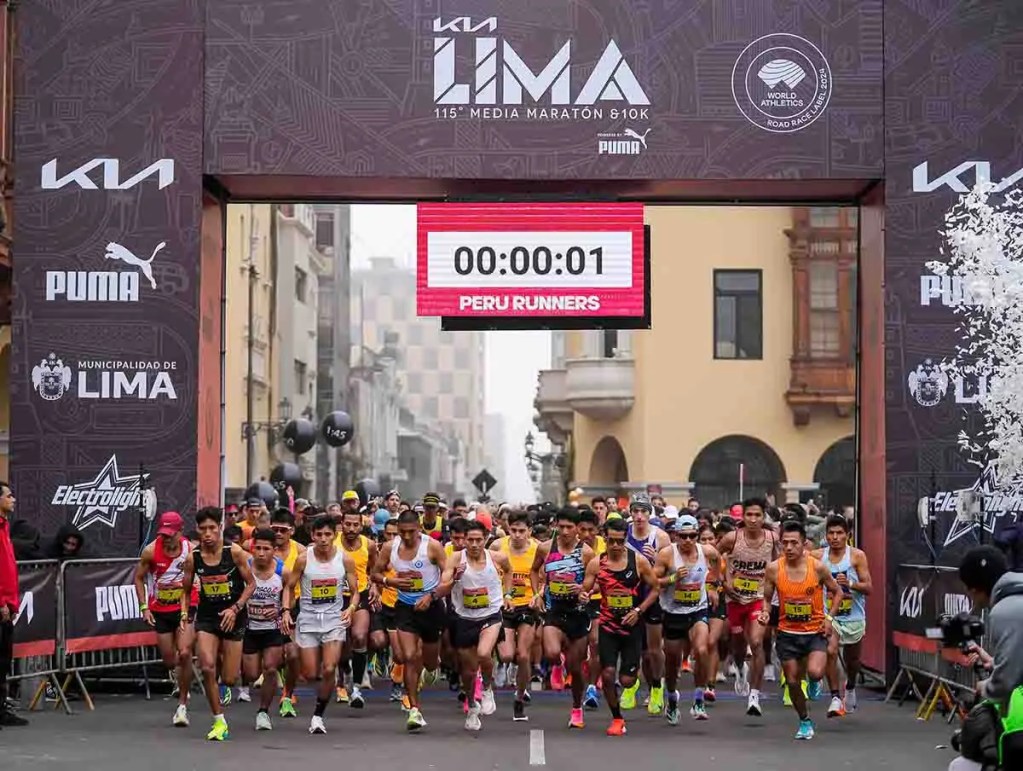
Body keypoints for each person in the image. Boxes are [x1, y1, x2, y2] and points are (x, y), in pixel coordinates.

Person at [759, 520, 844, 741]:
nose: (788, 548)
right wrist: (765, 612)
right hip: (787, 633)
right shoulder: (773, 569)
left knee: (815, 672)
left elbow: (838, 593)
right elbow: (767, 599)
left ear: (803, 543)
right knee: (793, 681)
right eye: (784, 543)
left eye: (793, 543)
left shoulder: (817, 567)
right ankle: (804, 720)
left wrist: (829, 618)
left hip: (815, 631)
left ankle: (816, 681)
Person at [180, 506, 257, 741]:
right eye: (203, 529)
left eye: (212, 528)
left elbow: (251, 584)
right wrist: (184, 612)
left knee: (230, 677)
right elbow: (184, 590)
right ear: (197, 530)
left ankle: (228, 682)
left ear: (220, 528)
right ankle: (219, 721)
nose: (207, 534)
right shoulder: (193, 557)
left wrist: (235, 608)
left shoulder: (234, 553)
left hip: (234, 616)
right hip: (207, 616)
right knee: (207, 666)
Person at [371, 509, 448, 731]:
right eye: (402, 532)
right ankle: (414, 709)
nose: (406, 536)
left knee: (430, 662)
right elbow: (375, 574)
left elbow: (449, 578)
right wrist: (391, 582)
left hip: (431, 607)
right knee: (409, 656)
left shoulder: (431, 547)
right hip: (405, 607)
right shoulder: (390, 548)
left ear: (419, 528)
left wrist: (431, 595)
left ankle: (433, 667)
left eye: (411, 532)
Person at [583, 517, 659, 736]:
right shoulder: (597, 563)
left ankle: (630, 682)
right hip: (607, 625)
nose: (615, 546)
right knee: (607, 674)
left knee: (627, 680)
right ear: (605, 539)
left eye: (619, 541)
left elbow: (655, 589)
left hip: (632, 627)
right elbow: (586, 589)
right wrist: (582, 595)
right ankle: (617, 718)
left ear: (625, 539)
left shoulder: (639, 561)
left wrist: (638, 611)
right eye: (611, 541)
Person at [282, 514, 357, 735]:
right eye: (319, 535)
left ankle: (317, 716)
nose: (323, 539)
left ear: (335, 535)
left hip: (334, 619)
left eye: (327, 534)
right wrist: (286, 611)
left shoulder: (345, 560)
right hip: (308, 619)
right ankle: (305, 686)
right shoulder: (304, 559)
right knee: (310, 673)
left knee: (329, 669)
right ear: (312, 536)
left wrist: (351, 609)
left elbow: (354, 593)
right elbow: (289, 586)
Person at [950, 546, 1023, 771]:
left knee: (962, 766)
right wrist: (995, 662)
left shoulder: (1005, 610)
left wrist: (986, 686)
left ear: (975, 588)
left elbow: (1005, 684)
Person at [439, 519, 514, 731]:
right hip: (463, 618)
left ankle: (488, 688)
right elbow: (441, 589)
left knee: (484, 653)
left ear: (486, 539)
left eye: (478, 540)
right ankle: (472, 706)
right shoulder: (455, 559)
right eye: (469, 540)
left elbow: (508, 571)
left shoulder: (497, 557)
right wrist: (454, 578)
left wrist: (508, 594)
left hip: (490, 614)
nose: (473, 544)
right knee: (468, 671)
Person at [530, 507, 597, 729]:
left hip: (578, 612)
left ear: (578, 529)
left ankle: (577, 708)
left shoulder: (586, 553)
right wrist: (537, 593)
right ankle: (557, 663)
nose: (565, 531)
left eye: (570, 527)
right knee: (550, 652)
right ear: (555, 526)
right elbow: (534, 571)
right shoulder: (545, 548)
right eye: (561, 527)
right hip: (554, 609)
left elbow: (598, 578)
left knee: (576, 668)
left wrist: (585, 590)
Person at [654, 515, 722, 723]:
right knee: (673, 663)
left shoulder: (706, 551)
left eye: (692, 536)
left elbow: (717, 561)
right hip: (673, 613)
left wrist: (712, 585)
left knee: (702, 650)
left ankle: (699, 698)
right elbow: (654, 581)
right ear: (676, 535)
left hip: (697, 610)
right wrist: (673, 578)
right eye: (683, 536)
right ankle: (672, 698)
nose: (688, 541)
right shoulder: (667, 555)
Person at [133, 511, 197, 727]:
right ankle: (180, 678)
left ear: (180, 532)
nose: (167, 538)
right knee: (170, 660)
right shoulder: (151, 551)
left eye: (171, 534)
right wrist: (144, 607)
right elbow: (139, 578)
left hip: (184, 608)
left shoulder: (191, 551)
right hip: (161, 609)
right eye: (164, 534)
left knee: (185, 652)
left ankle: (182, 706)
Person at [718, 497, 779, 716]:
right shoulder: (732, 538)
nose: (753, 519)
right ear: (742, 517)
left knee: (757, 641)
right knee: (737, 644)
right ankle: (740, 668)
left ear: (764, 517)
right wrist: (725, 583)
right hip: (735, 600)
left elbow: (781, 564)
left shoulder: (772, 538)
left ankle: (754, 695)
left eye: (758, 515)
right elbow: (714, 558)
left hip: (759, 599)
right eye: (749, 515)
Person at [814, 513, 873, 714]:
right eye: (831, 533)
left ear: (847, 535)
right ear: (826, 535)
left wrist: (850, 584)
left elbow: (868, 587)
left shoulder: (857, 556)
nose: (835, 537)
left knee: (853, 661)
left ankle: (850, 686)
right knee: (830, 651)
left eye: (839, 533)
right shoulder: (817, 556)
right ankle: (835, 697)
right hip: (830, 615)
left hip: (853, 616)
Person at [621, 494, 670, 714]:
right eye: (636, 511)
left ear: (651, 514)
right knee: (634, 647)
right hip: (629, 595)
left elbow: (671, 570)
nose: (640, 516)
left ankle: (657, 687)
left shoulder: (660, 537)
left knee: (653, 649)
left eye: (644, 511)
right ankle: (633, 683)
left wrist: (655, 559)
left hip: (652, 596)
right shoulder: (623, 534)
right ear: (630, 513)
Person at [492, 509, 539, 721]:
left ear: (529, 531)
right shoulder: (497, 547)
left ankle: (520, 697)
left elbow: (546, 576)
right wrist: (500, 596)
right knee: (507, 655)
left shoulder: (538, 549)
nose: (517, 535)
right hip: (504, 606)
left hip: (527, 606)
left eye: (522, 531)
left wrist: (538, 595)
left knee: (523, 655)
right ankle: (501, 662)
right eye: (513, 530)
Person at [243, 528, 287, 731]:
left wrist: (280, 611)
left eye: (266, 549)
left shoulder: (282, 571)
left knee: (270, 668)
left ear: (274, 550)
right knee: (252, 675)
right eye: (257, 548)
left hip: (272, 628)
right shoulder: (245, 567)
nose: (261, 553)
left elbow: (291, 595)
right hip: (250, 627)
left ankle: (263, 712)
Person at [334, 508, 379, 708]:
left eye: (355, 524)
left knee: (360, 636)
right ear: (342, 524)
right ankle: (344, 675)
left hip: (358, 596)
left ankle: (357, 688)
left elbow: (375, 570)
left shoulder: (369, 545)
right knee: (341, 645)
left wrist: (375, 587)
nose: (351, 528)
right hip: (335, 598)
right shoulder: (332, 543)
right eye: (348, 524)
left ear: (361, 525)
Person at [270, 508, 305, 717]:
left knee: (292, 653)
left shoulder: (300, 552)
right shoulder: (263, 549)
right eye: (275, 529)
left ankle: (287, 693)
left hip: (294, 606)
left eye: (283, 530)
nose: (279, 534)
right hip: (267, 607)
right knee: (269, 660)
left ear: (291, 530)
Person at [0, 481, 27, 728]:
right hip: (1, 605)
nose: (13, 499)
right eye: (9, 496)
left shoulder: (5, 527)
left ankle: (1, 710)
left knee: (4, 660)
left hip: (8, 604)